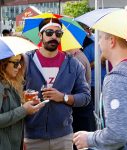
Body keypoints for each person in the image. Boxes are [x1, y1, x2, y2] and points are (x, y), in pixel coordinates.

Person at [73, 31, 127, 150]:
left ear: (112, 41)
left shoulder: (117, 79)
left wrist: (88, 138)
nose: (98, 43)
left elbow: (117, 135)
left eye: (101, 38)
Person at [24, 18, 91, 150]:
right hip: (31, 136)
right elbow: (12, 91)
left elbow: (85, 97)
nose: (53, 36)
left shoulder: (73, 64)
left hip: (63, 136)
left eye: (58, 33)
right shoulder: (26, 61)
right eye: (49, 33)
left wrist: (64, 97)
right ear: (40, 35)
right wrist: (23, 96)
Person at [0, 54, 44, 150]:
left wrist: (24, 100)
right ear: (3, 63)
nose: (19, 66)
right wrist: (24, 110)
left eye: (20, 62)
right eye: (15, 63)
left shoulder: (9, 82)